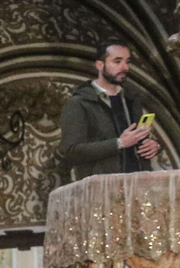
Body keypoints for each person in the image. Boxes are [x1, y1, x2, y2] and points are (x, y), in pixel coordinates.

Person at [58, 40, 160, 180]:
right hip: (100, 188)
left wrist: (152, 146)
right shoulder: (79, 103)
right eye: (117, 61)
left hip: (138, 183)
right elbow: (71, 151)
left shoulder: (131, 98)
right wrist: (119, 143)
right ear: (100, 65)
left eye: (127, 62)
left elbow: (137, 139)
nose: (124, 67)